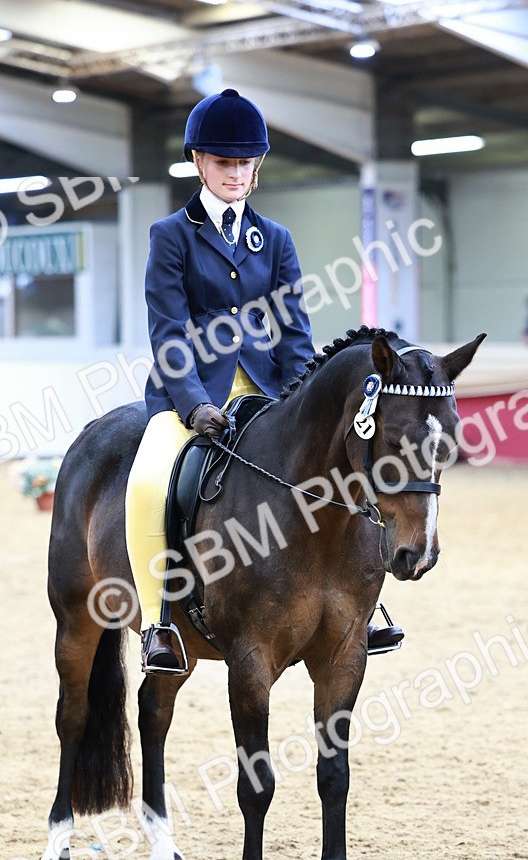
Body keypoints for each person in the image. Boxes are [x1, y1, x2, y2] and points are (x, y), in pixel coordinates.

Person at [125, 88, 402, 674]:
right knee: (150, 482)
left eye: (245, 163)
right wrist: (194, 404)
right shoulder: (171, 235)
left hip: (271, 392)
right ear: (199, 162)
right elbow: (169, 330)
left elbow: (296, 332)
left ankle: (362, 605)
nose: (235, 173)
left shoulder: (275, 240)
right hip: (191, 395)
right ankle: (159, 623)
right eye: (224, 162)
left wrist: (305, 395)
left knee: (346, 464)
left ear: (258, 166)